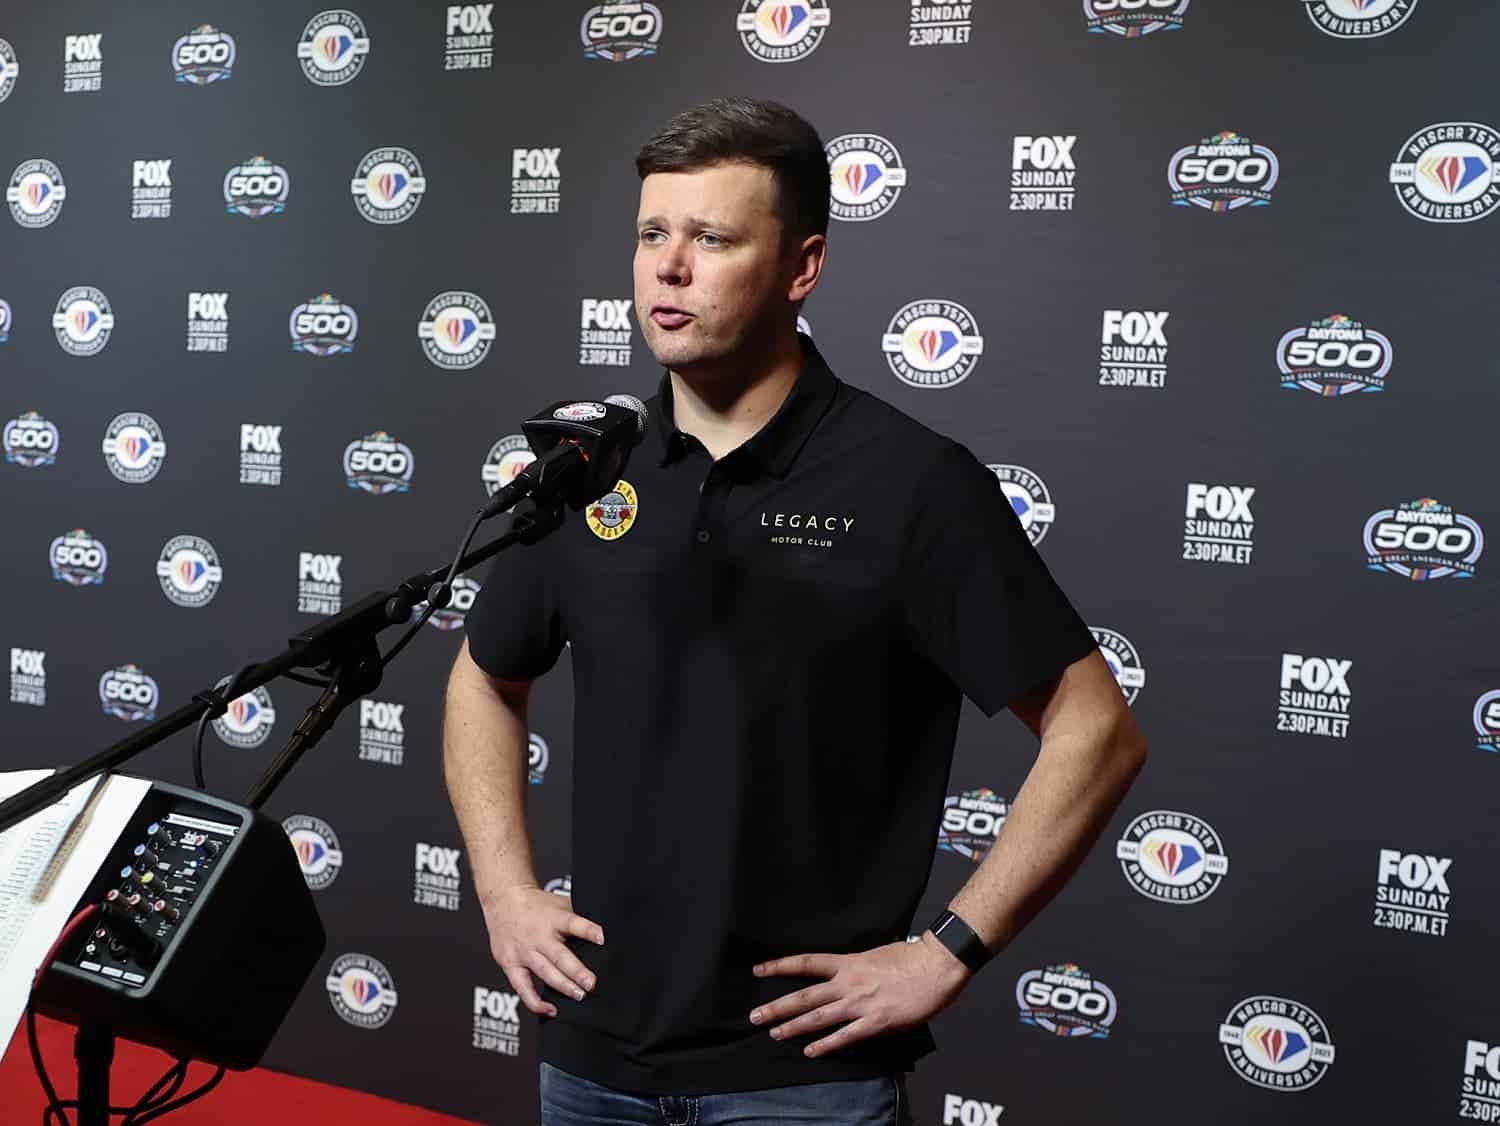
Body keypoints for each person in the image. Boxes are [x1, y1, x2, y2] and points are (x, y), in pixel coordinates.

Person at [444, 96, 1147, 1126]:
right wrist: (505, 889)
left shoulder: (912, 481)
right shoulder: (588, 466)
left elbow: (1097, 730)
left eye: (712, 238)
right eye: (651, 234)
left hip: (801, 1080)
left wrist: (946, 950)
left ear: (801, 267)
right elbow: (485, 676)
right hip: (592, 1056)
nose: (668, 268)